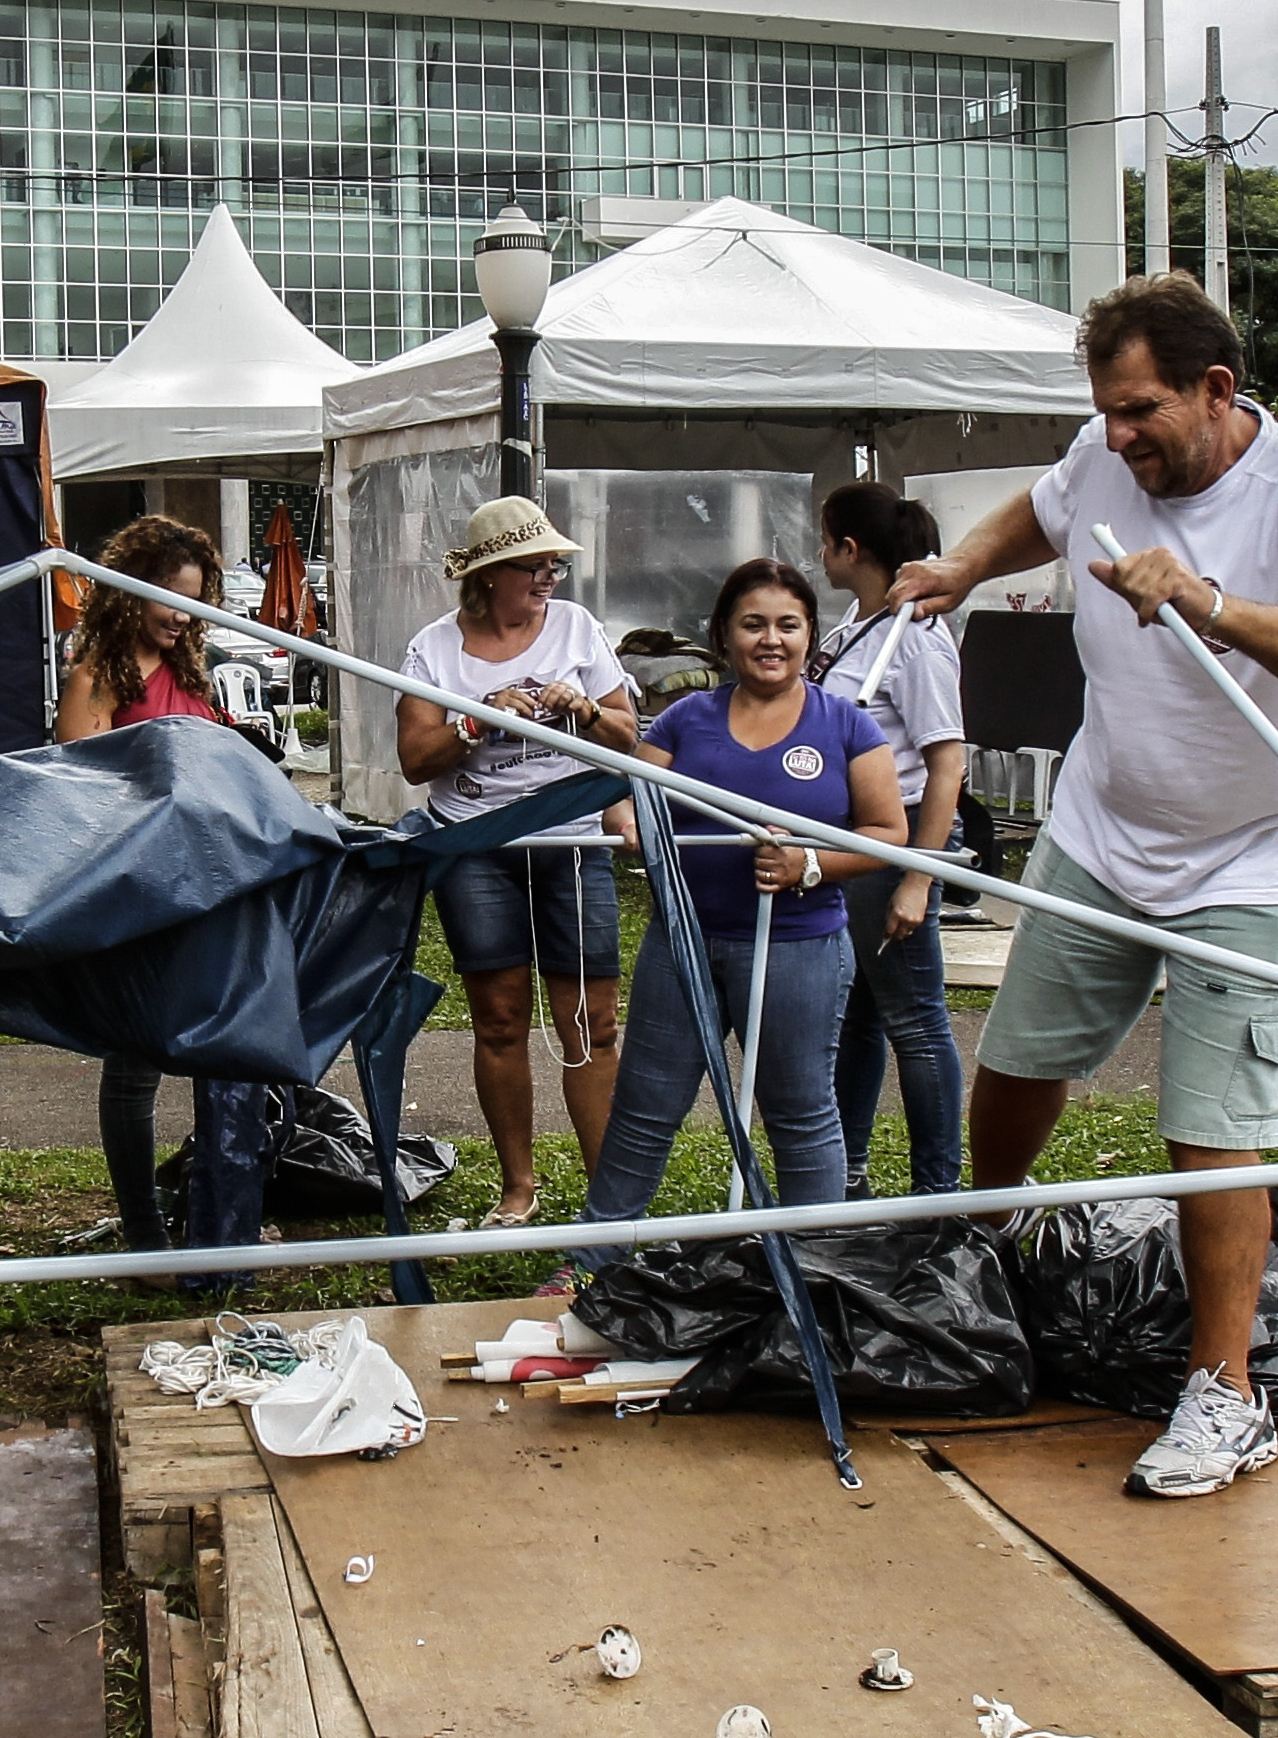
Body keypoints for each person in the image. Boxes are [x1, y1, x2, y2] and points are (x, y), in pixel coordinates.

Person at [894, 273, 1278, 1499]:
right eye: (1108, 415)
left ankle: (1223, 1391)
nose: (1118, 439)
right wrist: (964, 563)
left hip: (1256, 852)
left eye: (1140, 414)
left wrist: (1210, 602)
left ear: (1216, 391)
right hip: (1107, 828)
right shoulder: (1102, 451)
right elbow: (1049, 503)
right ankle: (982, 1243)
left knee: (1214, 1131)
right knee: (1017, 1064)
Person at [579, 559, 903, 1221]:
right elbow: (630, 798)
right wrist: (627, 817)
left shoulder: (845, 725)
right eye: (753, 624)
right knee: (644, 1108)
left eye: (789, 625)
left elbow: (887, 833)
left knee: (801, 1114)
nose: (771, 640)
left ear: (811, 635)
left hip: (798, 949)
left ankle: (815, 1269)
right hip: (684, 943)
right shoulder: (686, 719)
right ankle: (596, 1258)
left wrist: (807, 863)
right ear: (724, 635)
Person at [393, 496, 646, 1226]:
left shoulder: (576, 629)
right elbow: (415, 759)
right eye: (535, 565)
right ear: (491, 574)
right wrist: (478, 718)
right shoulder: (435, 649)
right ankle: (518, 1186)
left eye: (554, 564)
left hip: (568, 837)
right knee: (499, 1017)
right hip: (477, 841)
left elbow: (628, 735)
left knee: (591, 1020)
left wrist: (586, 710)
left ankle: (609, 1198)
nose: (550, 577)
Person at [58, 514, 274, 1283]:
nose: (182, 615)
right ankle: (144, 1237)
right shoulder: (97, 675)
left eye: (194, 600)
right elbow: (79, 787)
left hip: (208, 882)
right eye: (168, 600)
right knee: (136, 1061)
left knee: (225, 1051)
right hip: (139, 889)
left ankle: (221, 1218)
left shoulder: (192, 670)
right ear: (128, 594)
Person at [815, 483, 970, 1197]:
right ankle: (848, 1174)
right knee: (858, 1018)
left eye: (826, 540)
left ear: (851, 550)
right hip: (848, 838)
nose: (821, 555)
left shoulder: (917, 636)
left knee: (917, 1021)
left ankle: (937, 1191)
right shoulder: (858, 623)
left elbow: (947, 763)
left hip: (893, 838)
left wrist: (918, 876)